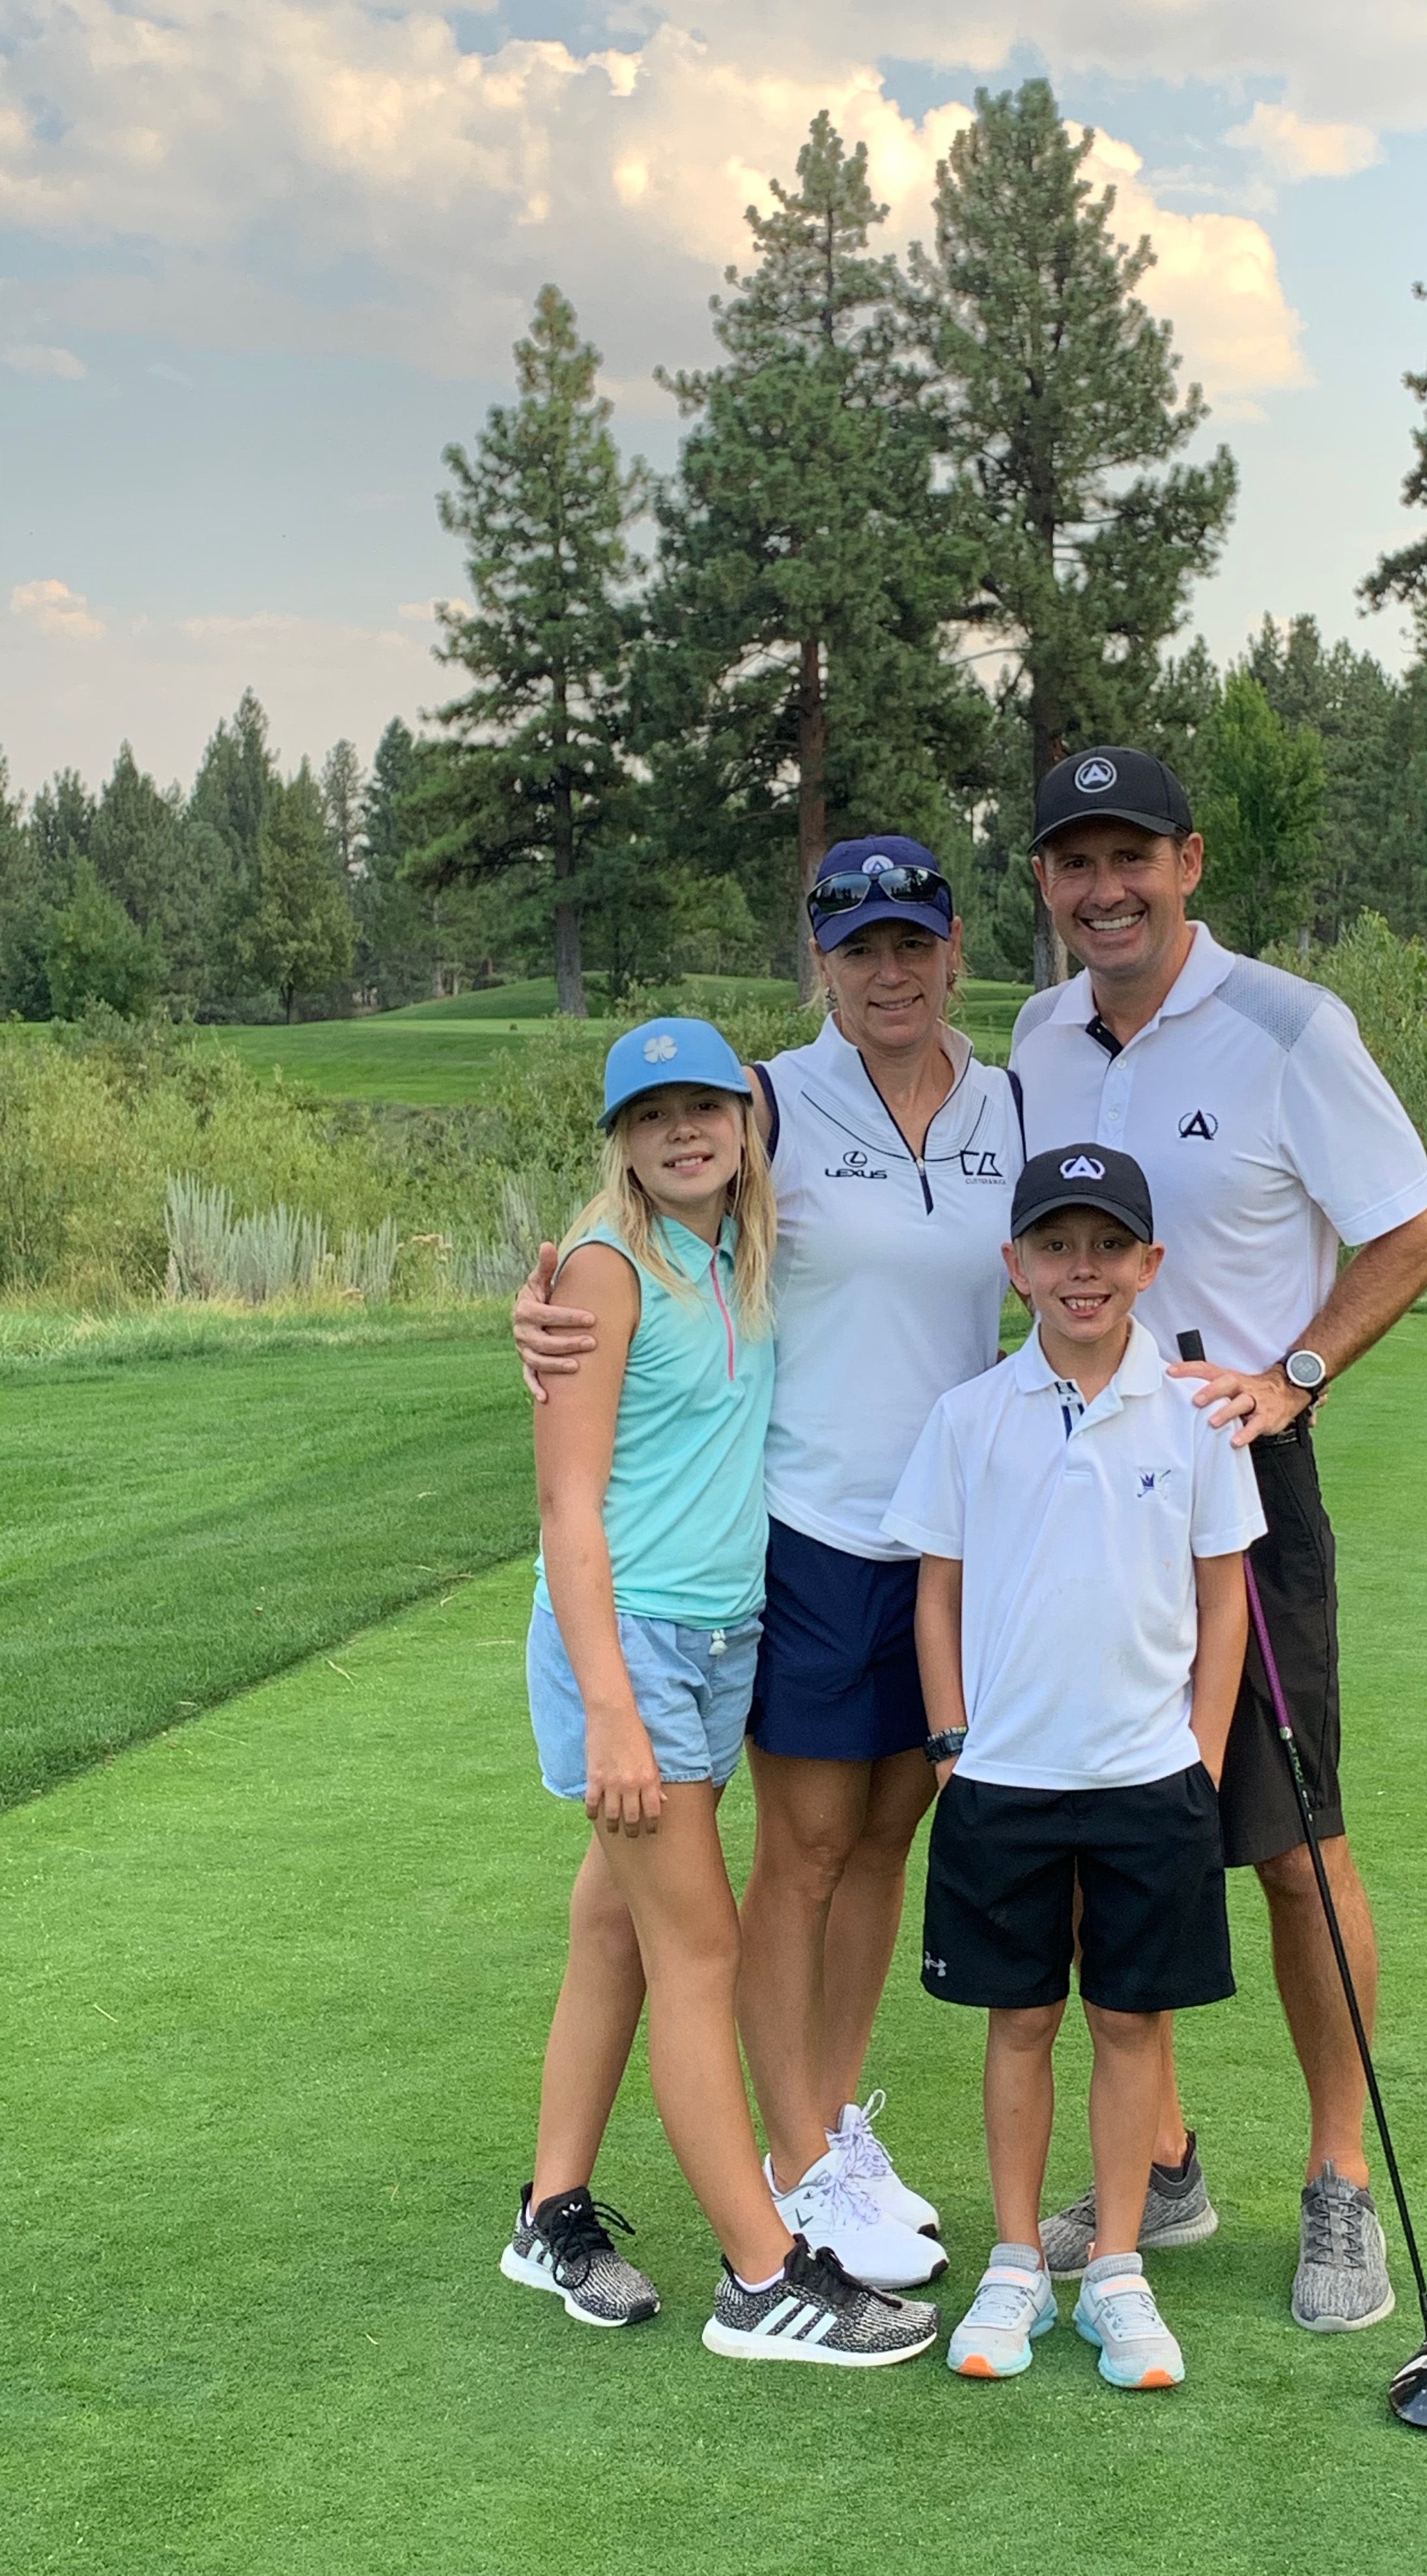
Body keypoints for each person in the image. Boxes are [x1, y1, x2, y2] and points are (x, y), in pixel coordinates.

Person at [511, 841, 1021, 2289]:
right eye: (860, 950)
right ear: (823, 966)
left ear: (952, 948)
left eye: (912, 943)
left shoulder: (1011, 1103)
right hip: (802, 1538)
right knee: (795, 1856)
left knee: (879, 1841)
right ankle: (791, 2172)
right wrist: (544, 1314)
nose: (890, 972)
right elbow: (632, 1220)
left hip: (946, 1540)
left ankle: (815, 2137)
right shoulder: (774, 1099)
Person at [1010, 747, 1427, 2332]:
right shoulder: (1036, 1036)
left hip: (1237, 1486)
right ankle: (1167, 2162)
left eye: (1131, 857)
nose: (1105, 890)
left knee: (1290, 1847)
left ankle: (1339, 2179)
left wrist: (1298, 1376)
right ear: (1046, 883)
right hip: (1078, 1491)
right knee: (1111, 1832)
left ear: (1189, 861)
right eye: (1076, 863)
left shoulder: (1289, 1027)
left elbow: (1417, 1231)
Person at [884, 1146, 1261, 2388]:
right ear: (1016, 1266)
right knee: (1023, 2017)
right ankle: (1013, 2261)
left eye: (1107, 1246)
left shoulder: (1198, 1416)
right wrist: (951, 1745)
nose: (1080, 1270)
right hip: (1004, 1776)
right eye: (1055, 1246)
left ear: (1150, 1264)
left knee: (1130, 2019)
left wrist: (1202, 1762)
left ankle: (1115, 2268)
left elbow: (1225, 1600)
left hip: (1151, 1777)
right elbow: (936, 1595)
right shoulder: (969, 1416)